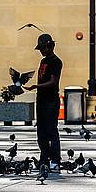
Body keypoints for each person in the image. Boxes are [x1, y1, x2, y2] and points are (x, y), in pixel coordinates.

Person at [24, 33, 63, 173]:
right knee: (41, 131)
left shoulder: (56, 61)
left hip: (51, 100)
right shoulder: (43, 61)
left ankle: (55, 160)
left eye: (43, 48)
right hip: (41, 99)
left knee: (51, 130)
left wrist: (36, 87)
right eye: (40, 49)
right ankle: (44, 158)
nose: (41, 51)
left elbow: (53, 82)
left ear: (50, 46)